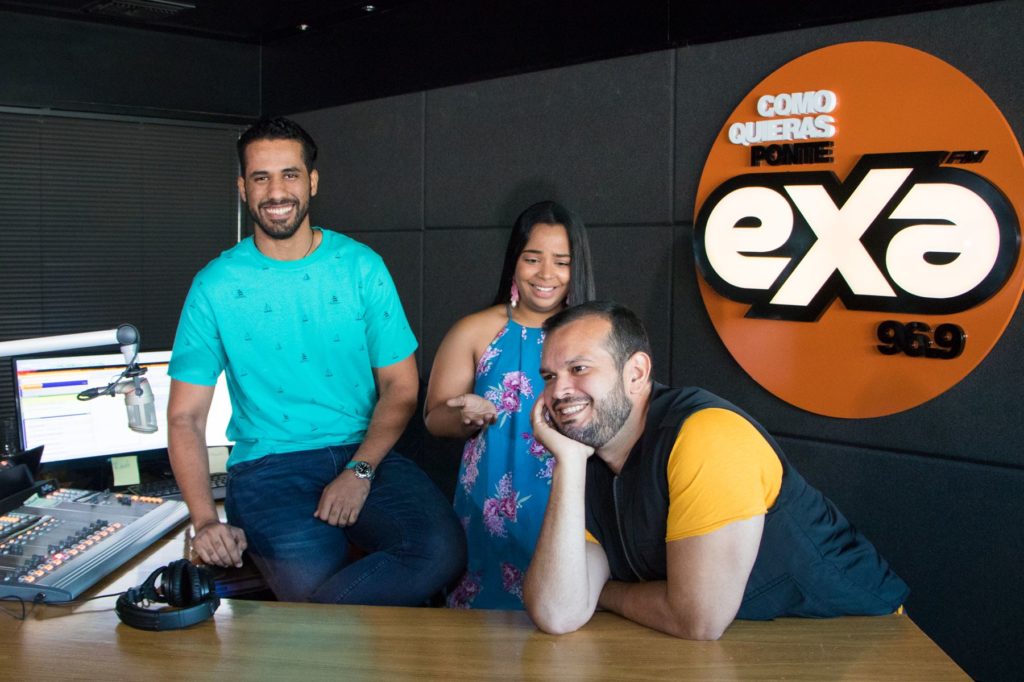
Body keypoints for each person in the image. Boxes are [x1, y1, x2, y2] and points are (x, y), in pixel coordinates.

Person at [166, 117, 465, 605]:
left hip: (365, 451)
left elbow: (402, 388)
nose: (276, 191)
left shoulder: (362, 267)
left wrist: (360, 471)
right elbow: (185, 416)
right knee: (315, 585)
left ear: (312, 182)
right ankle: (315, 631)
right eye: (260, 178)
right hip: (268, 469)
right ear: (242, 188)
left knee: (441, 549)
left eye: (289, 174)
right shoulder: (214, 285)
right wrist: (204, 520)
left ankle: (310, 632)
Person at [523, 301, 909, 638]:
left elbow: (697, 619)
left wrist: (604, 593)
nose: (558, 391)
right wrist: (568, 465)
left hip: (857, 636)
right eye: (549, 377)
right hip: (745, 644)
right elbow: (558, 613)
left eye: (579, 368)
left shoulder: (706, 435)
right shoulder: (588, 459)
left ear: (636, 373)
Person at [424, 201, 595, 608]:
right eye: (532, 259)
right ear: (514, 262)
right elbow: (433, 418)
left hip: (570, 498)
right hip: (489, 503)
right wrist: (464, 415)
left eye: (561, 262)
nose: (546, 274)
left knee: (562, 612)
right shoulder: (474, 330)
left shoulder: (594, 336)